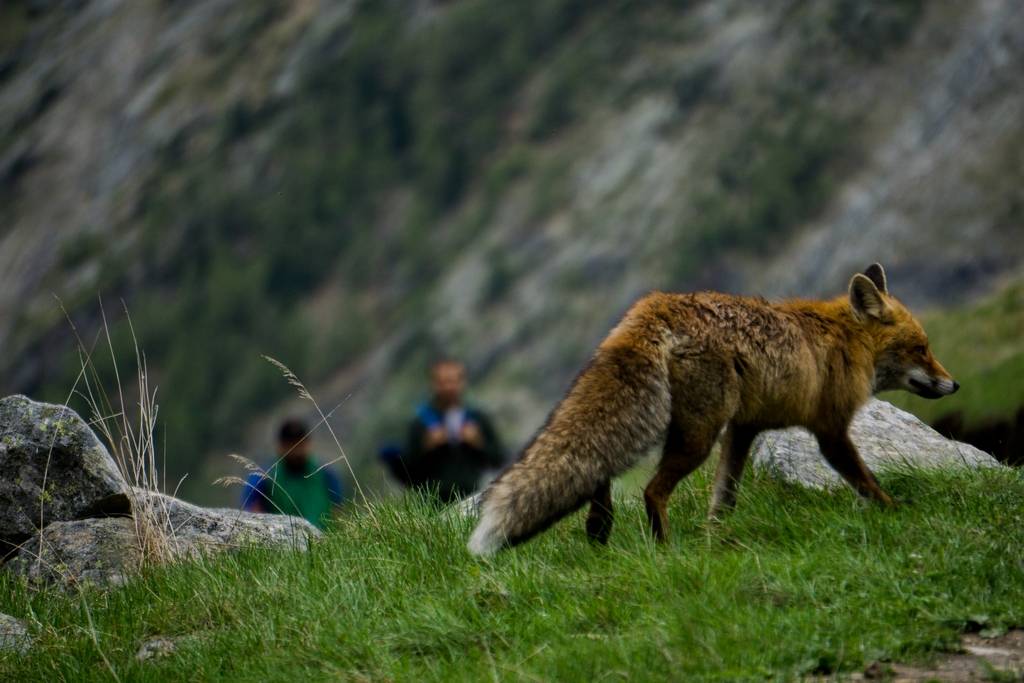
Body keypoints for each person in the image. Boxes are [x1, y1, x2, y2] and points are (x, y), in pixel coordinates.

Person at [382, 359, 506, 503]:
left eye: (453, 381)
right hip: (434, 503)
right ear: (433, 384)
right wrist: (427, 447)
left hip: (474, 497)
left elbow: (498, 458)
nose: (448, 387)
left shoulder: (477, 418)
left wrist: (478, 443)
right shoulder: (420, 423)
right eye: (442, 382)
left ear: (462, 382)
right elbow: (408, 473)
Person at [241, 418, 343, 529]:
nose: (296, 451)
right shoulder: (264, 476)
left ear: (309, 444)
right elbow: (250, 510)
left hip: (322, 539)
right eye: (290, 445)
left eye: (300, 444)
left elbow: (338, 510)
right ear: (280, 446)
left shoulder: (326, 473)